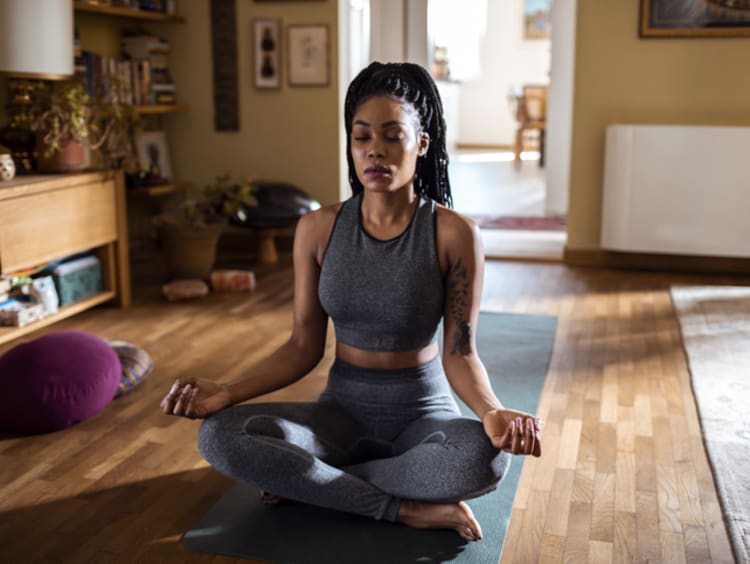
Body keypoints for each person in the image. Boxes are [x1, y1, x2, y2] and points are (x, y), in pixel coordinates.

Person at [161, 61, 543, 542]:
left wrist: (491, 412)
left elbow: (461, 350)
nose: (374, 151)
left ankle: (313, 484)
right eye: (361, 137)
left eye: (392, 136)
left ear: (421, 144)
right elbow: (302, 344)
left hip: (422, 417)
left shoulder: (453, 233)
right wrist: (228, 392)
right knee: (218, 435)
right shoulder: (317, 229)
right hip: (337, 417)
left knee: (484, 459)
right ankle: (401, 507)